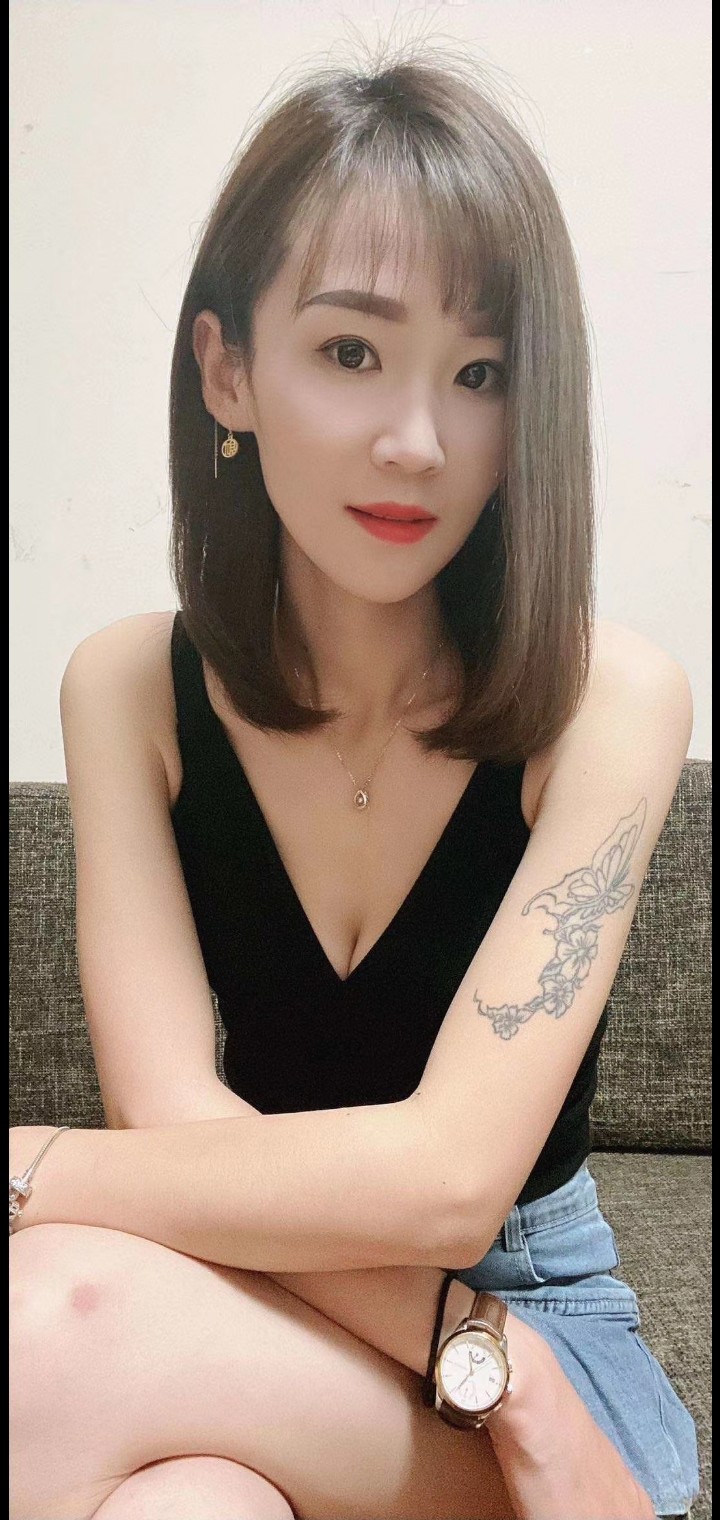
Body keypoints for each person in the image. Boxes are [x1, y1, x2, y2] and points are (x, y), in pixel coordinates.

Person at [9, 40, 700, 1520]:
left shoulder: (609, 702)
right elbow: (168, 1133)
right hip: (296, 1316)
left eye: (480, 374)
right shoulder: (127, 691)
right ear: (227, 371)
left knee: (53, 1315)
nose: (417, 441)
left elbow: (454, 1184)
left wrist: (30, 1168)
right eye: (349, 353)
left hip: (541, 1331)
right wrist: (470, 1354)